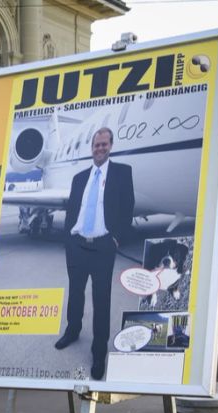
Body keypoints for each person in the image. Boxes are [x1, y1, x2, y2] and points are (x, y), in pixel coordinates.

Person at [53, 127, 135, 379]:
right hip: (77, 244)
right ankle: (73, 329)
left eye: (104, 145)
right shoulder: (80, 178)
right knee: (75, 291)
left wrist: (116, 238)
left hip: (102, 245)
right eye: (96, 145)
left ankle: (99, 349)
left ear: (111, 146)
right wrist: (69, 238)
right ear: (91, 148)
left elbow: (128, 206)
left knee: (101, 298)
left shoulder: (122, 173)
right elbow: (72, 210)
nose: (100, 149)